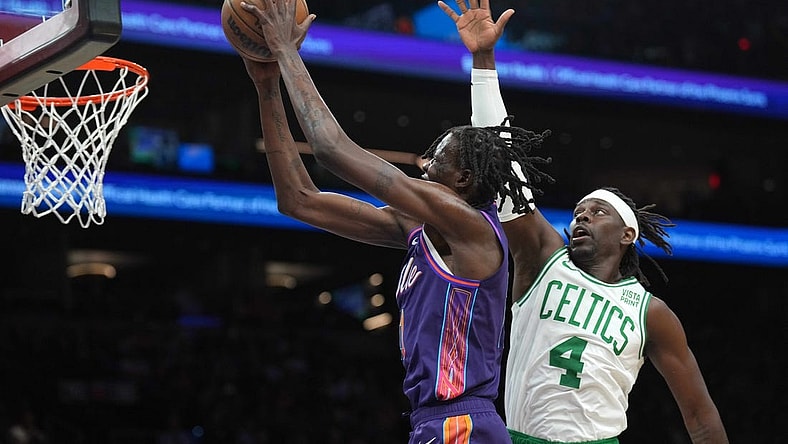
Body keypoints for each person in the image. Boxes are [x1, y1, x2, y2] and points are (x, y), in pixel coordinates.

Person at [240, 0, 552, 442]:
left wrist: (286, 51)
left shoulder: (472, 227)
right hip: (433, 422)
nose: (424, 164)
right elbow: (299, 201)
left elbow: (332, 151)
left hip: (462, 423)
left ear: (463, 179)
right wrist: (267, 83)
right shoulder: (422, 231)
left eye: (437, 157)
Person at [467, 36, 730, 444]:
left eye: (597, 211)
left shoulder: (651, 313)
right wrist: (483, 59)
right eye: (578, 213)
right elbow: (502, 167)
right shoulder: (543, 258)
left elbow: (700, 416)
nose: (582, 215)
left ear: (628, 234)